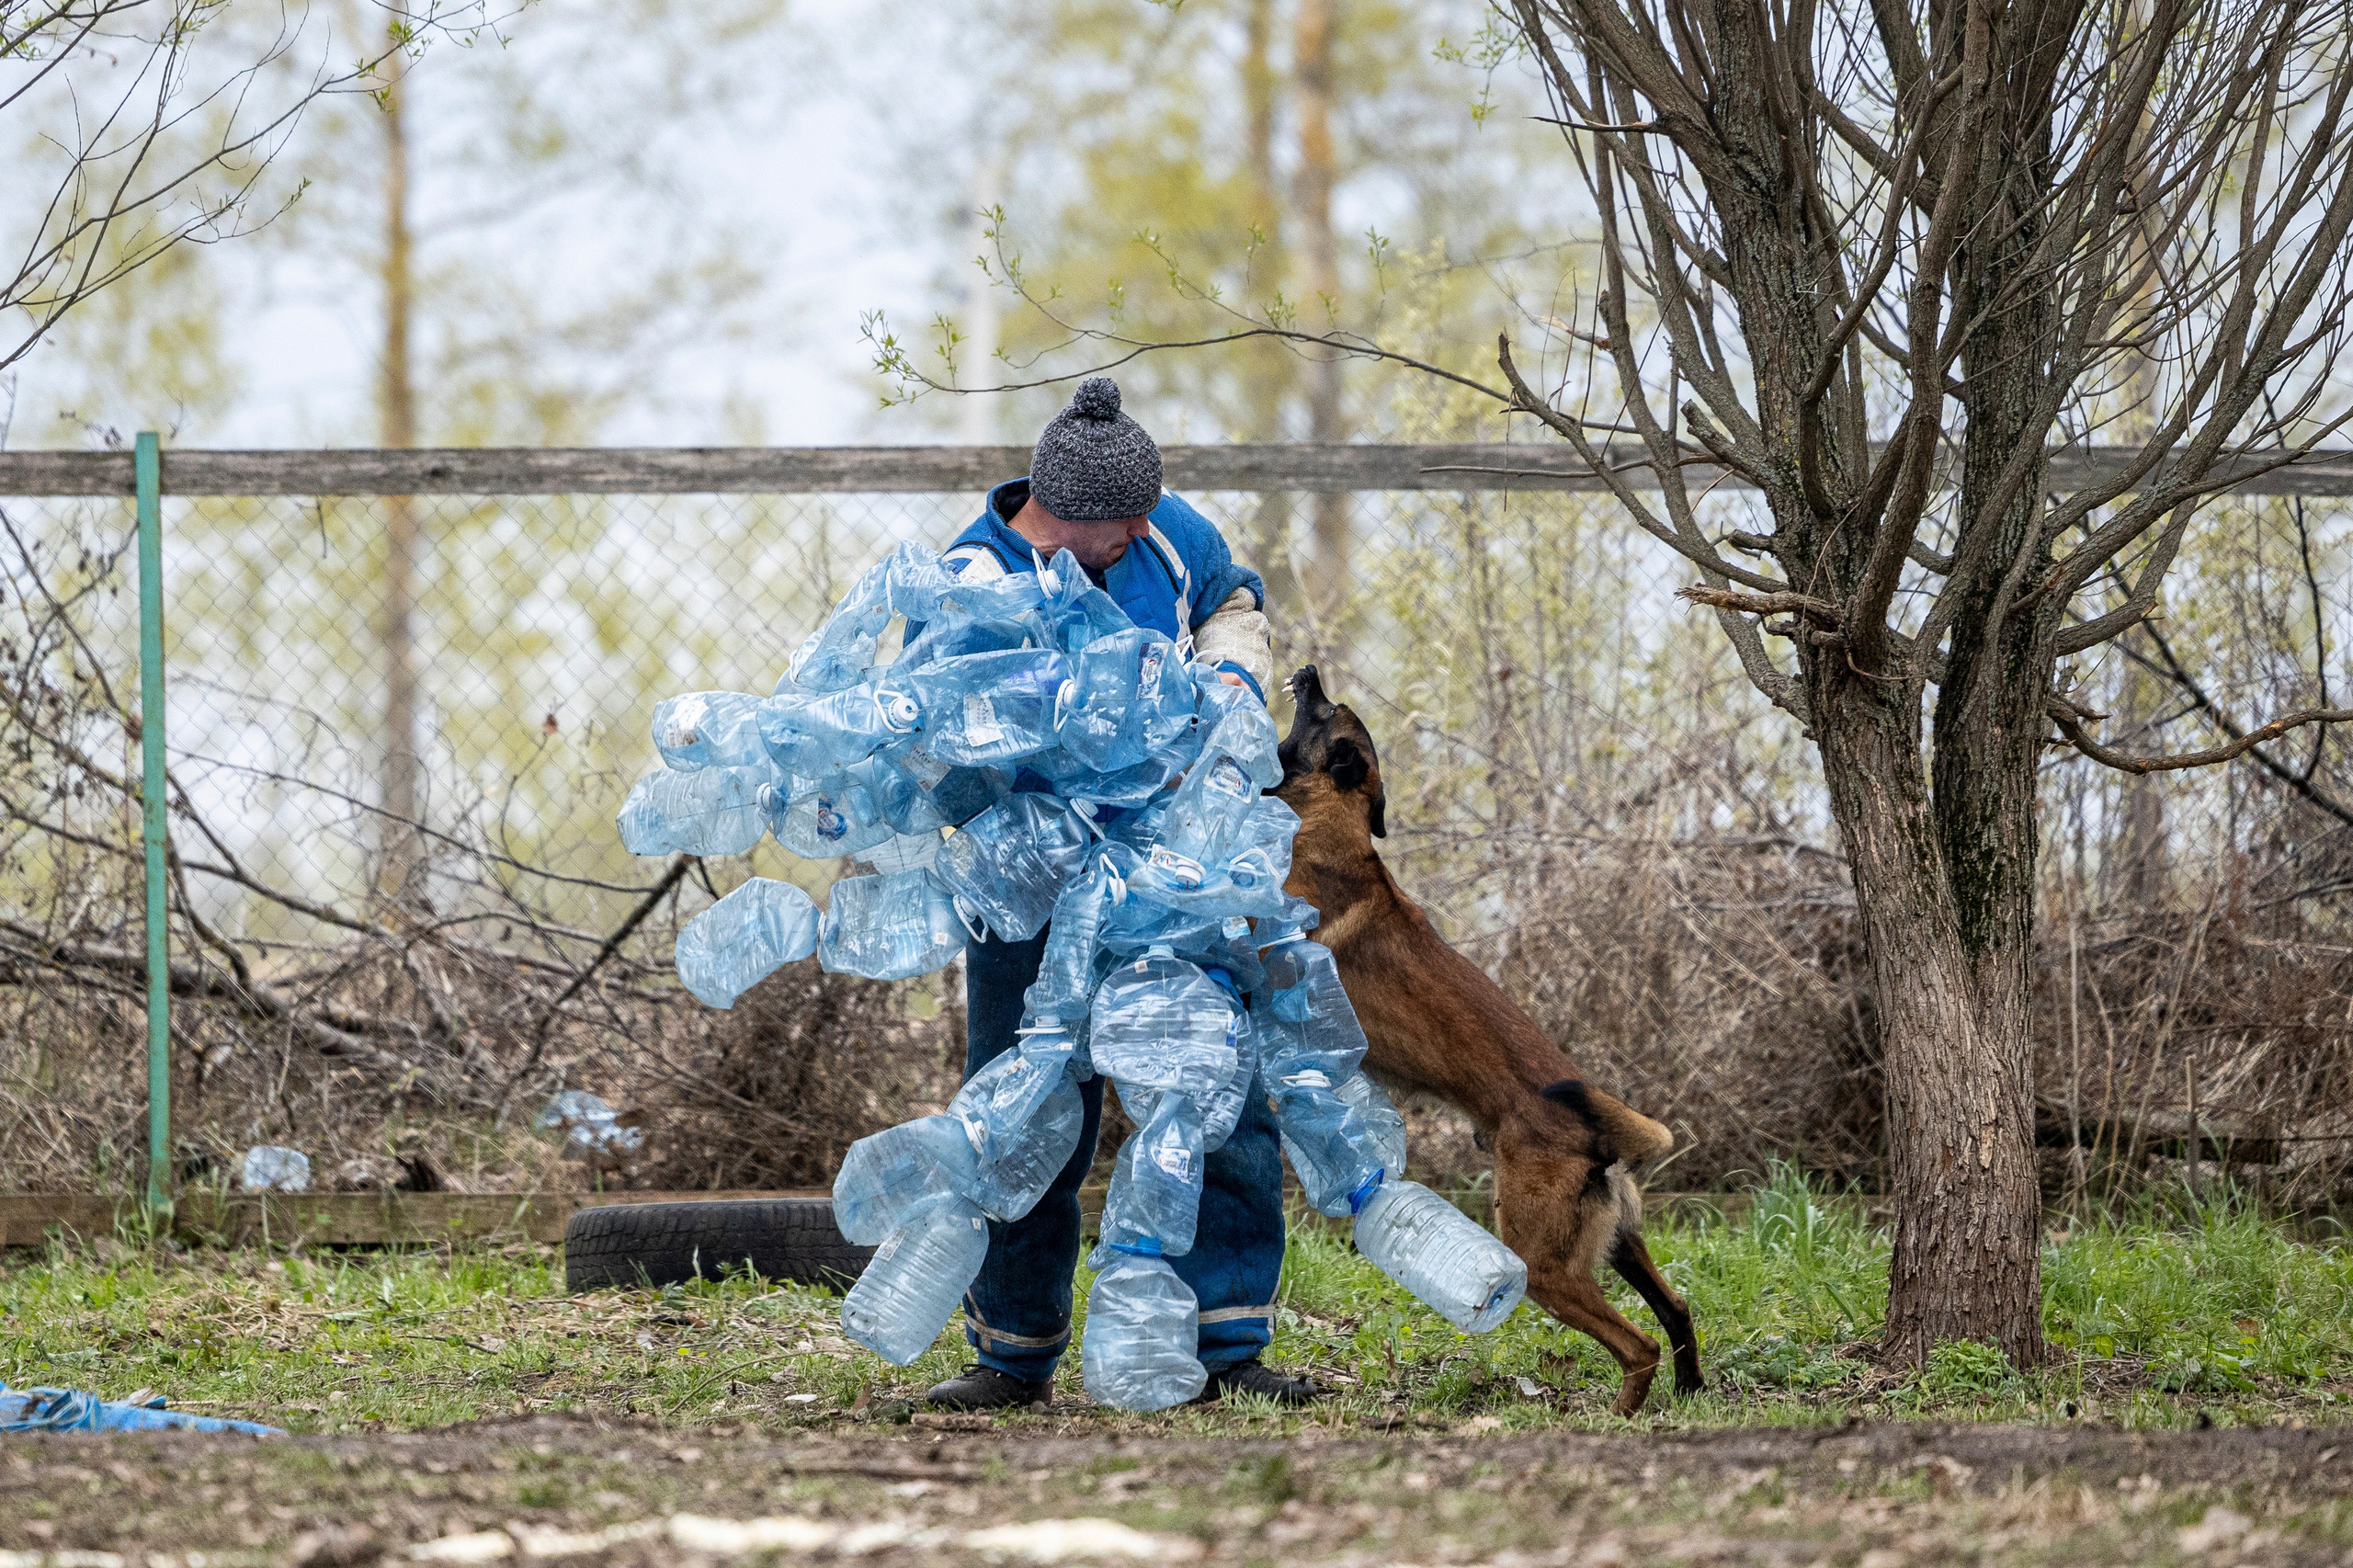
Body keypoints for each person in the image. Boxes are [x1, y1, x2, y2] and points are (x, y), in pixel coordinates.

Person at [921, 376, 1320, 1412]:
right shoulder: (972, 580)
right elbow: (943, 742)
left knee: (1214, 1092)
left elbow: (1232, 599)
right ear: (1060, 514)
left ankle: (1227, 1340)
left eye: (1149, 512)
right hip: (1033, 883)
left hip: (1173, 870)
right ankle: (1011, 1352)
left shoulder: (1161, 533)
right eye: (1124, 521)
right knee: (1025, 1111)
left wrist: (1232, 680)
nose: (1144, 532)